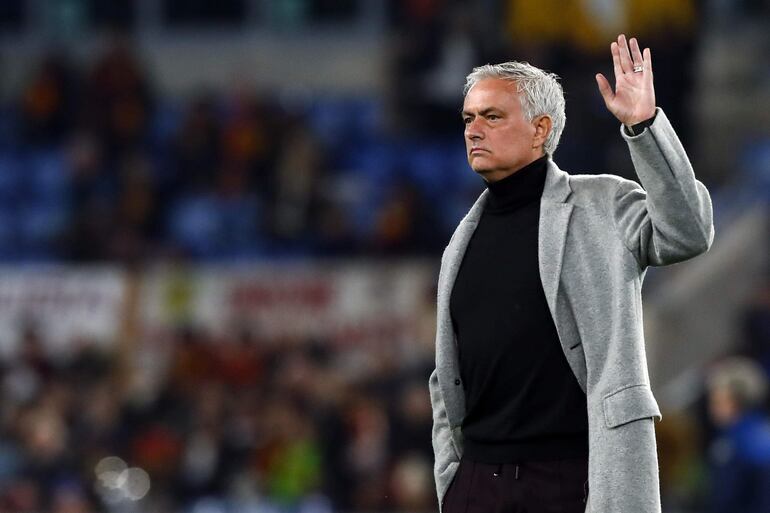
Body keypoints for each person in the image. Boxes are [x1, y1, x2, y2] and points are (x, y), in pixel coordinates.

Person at [429, 34, 714, 513]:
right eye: (468, 118)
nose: (473, 130)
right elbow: (447, 376)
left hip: (571, 480)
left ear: (541, 130)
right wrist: (452, 480)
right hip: (478, 483)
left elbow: (688, 231)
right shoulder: (462, 237)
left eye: (492, 116)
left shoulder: (602, 202)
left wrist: (644, 127)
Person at [706, 356, 770, 513]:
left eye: (717, 402)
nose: (711, 409)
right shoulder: (740, 434)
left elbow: (726, 499)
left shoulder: (738, 444)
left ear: (735, 403)